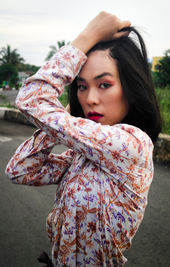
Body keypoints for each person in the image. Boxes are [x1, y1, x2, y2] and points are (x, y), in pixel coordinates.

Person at [5, 11, 161, 267]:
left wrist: (87, 36)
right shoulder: (82, 157)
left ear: (131, 88)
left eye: (104, 84)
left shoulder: (132, 145)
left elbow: (31, 99)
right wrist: (62, 115)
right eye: (82, 86)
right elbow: (20, 170)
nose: (90, 99)